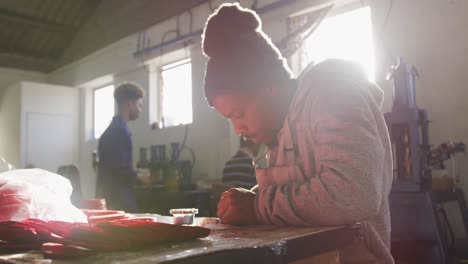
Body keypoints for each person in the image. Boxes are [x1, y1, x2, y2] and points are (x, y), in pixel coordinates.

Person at [201, 3, 393, 263]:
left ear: (268, 87)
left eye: (239, 113)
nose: (239, 129)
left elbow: (354, 193)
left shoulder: (332, 92)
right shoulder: (281, 128)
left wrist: (257, 207)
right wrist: (252, 198)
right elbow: (303, 186)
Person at [97, 82, 144, 212]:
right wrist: (140, 177)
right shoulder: (121, 131)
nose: (140, 110)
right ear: (130, 104)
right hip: (119, 201)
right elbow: (121, 171)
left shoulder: (110, 131)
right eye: (139, 105)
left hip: (109, 199)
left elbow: (115, 165)